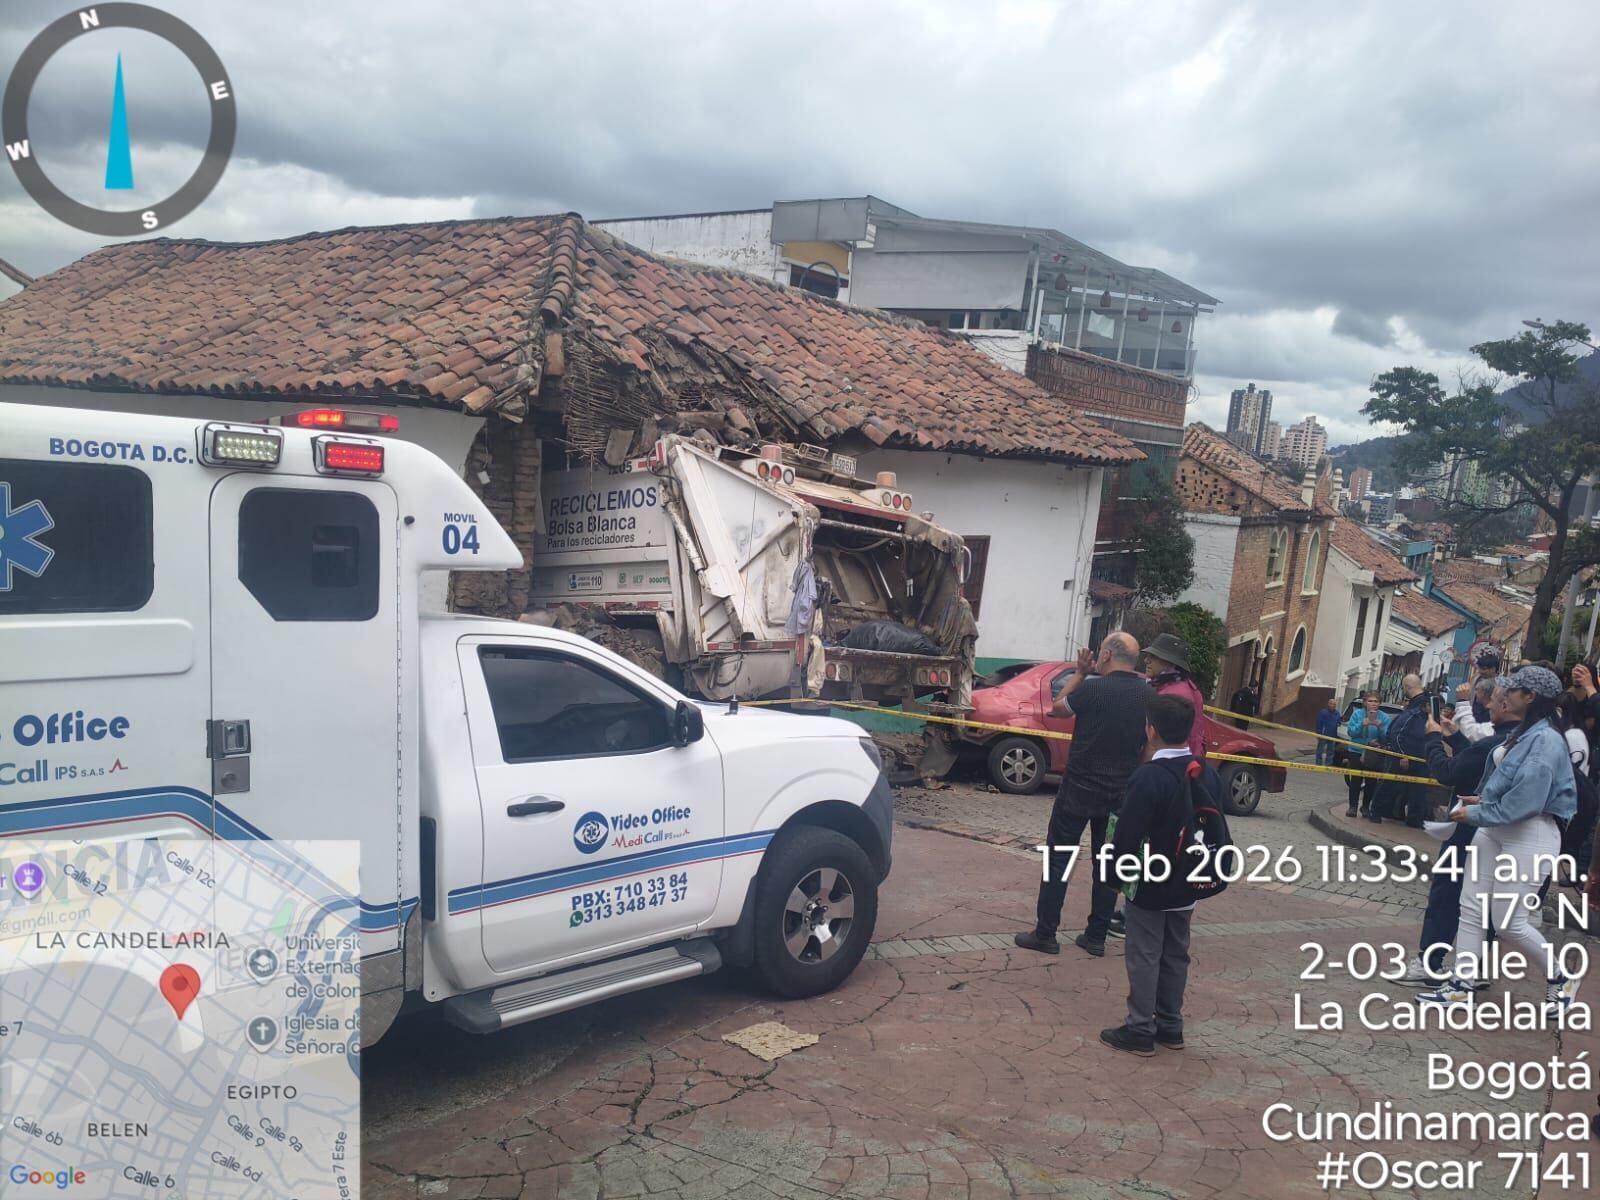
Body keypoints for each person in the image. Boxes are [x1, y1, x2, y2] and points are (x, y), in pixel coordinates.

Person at [1419, 667, 1584, 1017]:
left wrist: (1477, 813)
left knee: (1509, 921)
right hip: (1497, 829)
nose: (1503, 695)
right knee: (1472, 908)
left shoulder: (1546, 740)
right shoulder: (1528, 733)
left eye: (1513, 690)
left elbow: (1528, 799)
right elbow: (1510, 787)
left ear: (1531, 697)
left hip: (1529, 832)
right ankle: (1462, 985)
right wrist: (1482, 804)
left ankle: (1561, 978)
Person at [1097, 695, 1228, 1056]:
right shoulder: (1205, 771)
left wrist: (1113, 875)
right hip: (1189, 882)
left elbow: (1127, 834)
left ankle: (1139, 1028)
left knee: (1144, 953)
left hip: (1151, 882)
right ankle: (1170, 1023)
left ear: (1151, 731)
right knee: (1175, 953)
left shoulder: (1148, 776)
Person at [1015, 633, 1152, 958]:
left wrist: (1078, 672)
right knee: (1107, 865)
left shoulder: (1092, 688)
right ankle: (1095, 937)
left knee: (1059, 860)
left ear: (1106, 655)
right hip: (1119, 793)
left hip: (1078, 789)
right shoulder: (1148, 696)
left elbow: (1057, 709)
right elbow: (1149, 747)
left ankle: (1046, 933)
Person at [1396, 679, 1516, 985]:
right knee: (1484, 899)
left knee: (1448, 892)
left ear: (1507, 704)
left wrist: (1434, 740)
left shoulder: (1498, 742)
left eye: (1493, 701)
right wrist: (1458, 740)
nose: (1487, 706)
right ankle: (1474, 968)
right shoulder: (1522, 740)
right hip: (1500, 832)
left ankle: (1429, 962)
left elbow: (1448, 772)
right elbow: (1476, 762)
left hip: (1471, 827)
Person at [1372, 674, 1431, 828]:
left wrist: (1401, 754)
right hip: (1415, 755)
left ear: (1407, 687)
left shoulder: (1416, 710)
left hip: (1411, 756)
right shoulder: (1419, 707)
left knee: (1405, 787)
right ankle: (1382, 813)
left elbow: (1395, 733)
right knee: (1410, 788)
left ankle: (1379, 813)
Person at [1145, 634, 1206, 760]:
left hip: (1168, 770)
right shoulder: (1185, 686)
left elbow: (1162, 746)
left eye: (1154, 657)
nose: (1146, 660)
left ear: (1169, 663)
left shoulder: (1171, 697)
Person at [1343, 694, 1389, 818]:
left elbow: (1387, 738)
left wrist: (1380, 727)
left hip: (1374, 753)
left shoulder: (1384, 717)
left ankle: (1365, 807)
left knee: (1371, 781)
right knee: (1356, 780)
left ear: (1379, 703)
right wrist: (1362, 724)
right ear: (1365, 702)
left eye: (1376, 701)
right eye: (1370, 701)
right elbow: (1351, 732)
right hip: (1356, 751)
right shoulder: (1357, 714)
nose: (1373, 703)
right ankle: (1352, 806)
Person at [1315, 698, 1341, 766]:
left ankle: (1328, 764)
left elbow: (1338, 722)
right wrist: (1318, 733)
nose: (1333, 705)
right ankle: (1318, 763)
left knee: (1330, 751)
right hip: (1323, 734)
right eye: (1331, 704)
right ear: (1328, 704)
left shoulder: (1337, 713)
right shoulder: (1323, 712)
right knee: (1320, 750)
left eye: (1334, 704)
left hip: (1332, 735)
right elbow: (1319, 723)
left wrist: (1340, 722)